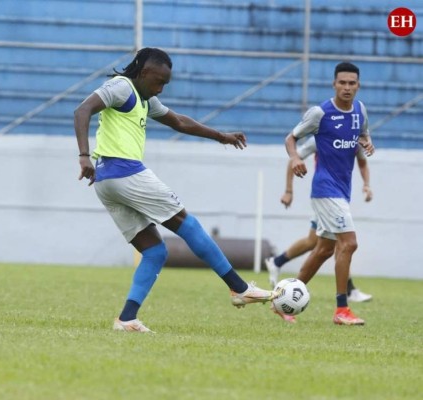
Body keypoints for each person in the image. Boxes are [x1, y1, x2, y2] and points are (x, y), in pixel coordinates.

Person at [74, 47, 276, 333]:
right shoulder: (121, 87)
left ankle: (127, 319)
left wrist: (221, 137)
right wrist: (83, 156)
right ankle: (238, 288)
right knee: (185, 222)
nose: (161, 88)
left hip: (106, 181)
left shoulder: (145, 99)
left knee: (155, 251)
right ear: (143, 73)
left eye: (165, 83)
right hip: (125, 171)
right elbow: (82, 109)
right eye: (159, 81)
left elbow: (179, 121)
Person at [284, 61, 374, 326]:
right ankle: (341, 310)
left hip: (342, 191)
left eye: (352, 83)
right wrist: (294, 159)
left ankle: (283, 299)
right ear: (334, 84)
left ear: (358, 85)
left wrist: (368, 143)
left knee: (324, 250)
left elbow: (364, 137)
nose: (347, 87)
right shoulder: (320, 113)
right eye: (342, 82)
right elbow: (290, 138)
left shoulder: (360, 111)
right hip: (325, 190)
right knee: (350, 244)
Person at [265, 135, 373, 304]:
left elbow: (363, 162)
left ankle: (278, 266)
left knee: (316, 243)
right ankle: (347, 294)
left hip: (339, 196)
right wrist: (288, 191)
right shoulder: (320, 137)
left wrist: (366, 184)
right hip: (327, 195)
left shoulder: (354, 135)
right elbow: (294, 158)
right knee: (344, 242)